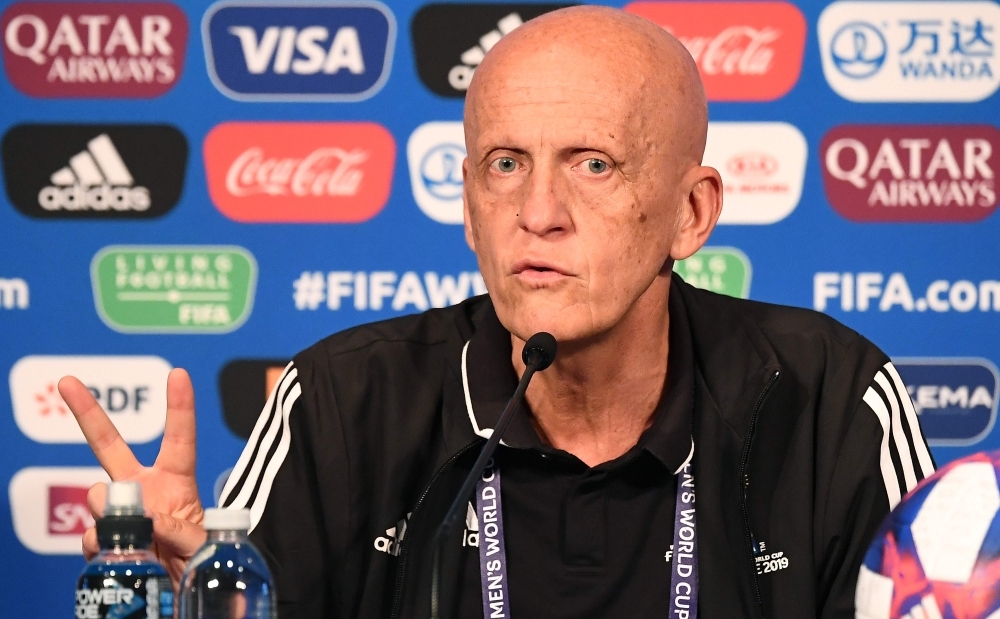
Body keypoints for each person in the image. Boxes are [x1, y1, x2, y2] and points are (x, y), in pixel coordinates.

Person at [58, 6, 935, 618]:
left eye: (594, 164)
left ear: (691, 213)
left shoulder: (833, 400)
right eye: (504, 164)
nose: (538, 211)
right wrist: (189, 597)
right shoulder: (340, 400)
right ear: (469, 206)